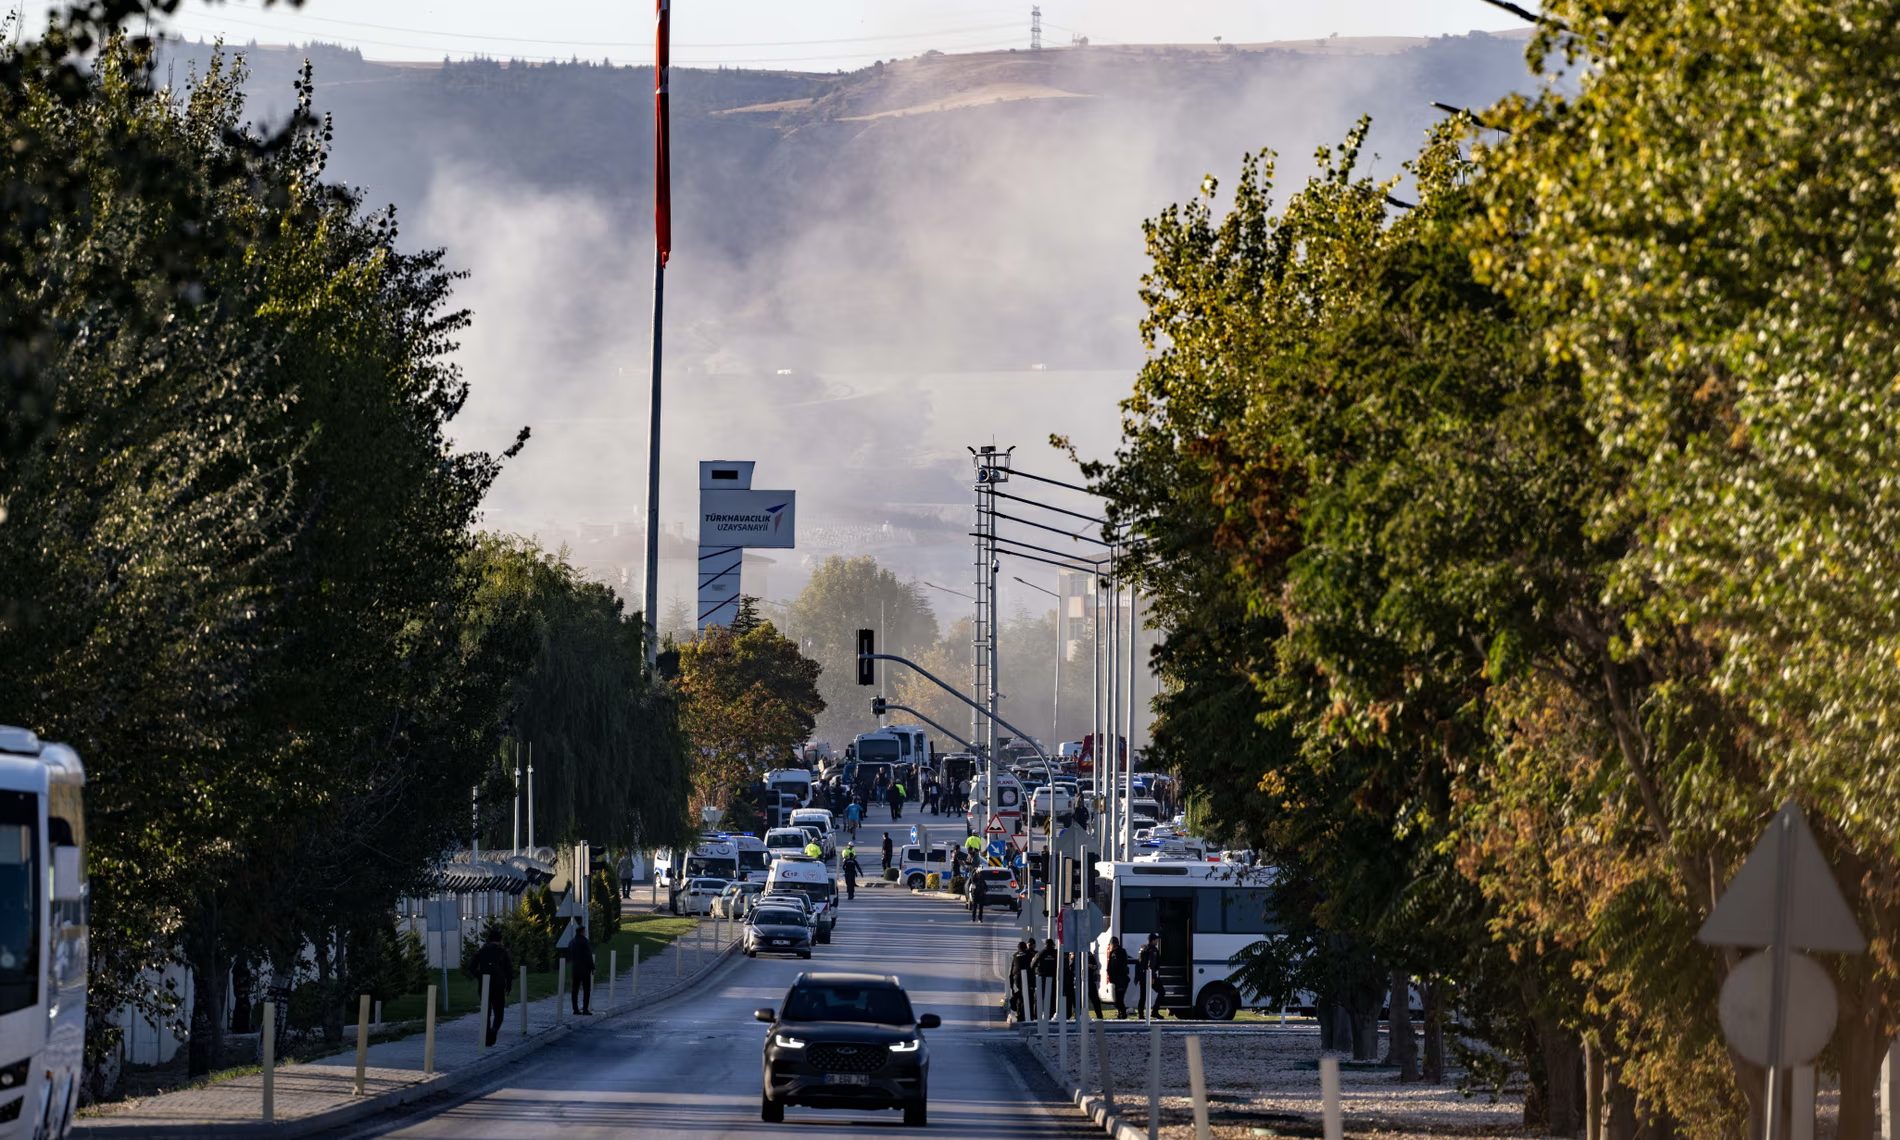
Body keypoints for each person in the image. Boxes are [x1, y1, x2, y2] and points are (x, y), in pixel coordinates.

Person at [473, 927, 513, 1046]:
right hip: (498, 986)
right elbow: (509, 970)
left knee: (486, 1013)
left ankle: (486, 1037)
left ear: (489, 939)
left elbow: (471, 967)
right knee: (499, 1014)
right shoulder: (503, 951)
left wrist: (480, 976)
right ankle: (493, 1031)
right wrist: (509, 984)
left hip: (484, 985)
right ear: (500, 939)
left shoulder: (482, 950)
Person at [568, 920, 595, 1015]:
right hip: (585, 969)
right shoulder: (584, 942)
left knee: (574, 989)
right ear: (582, 932)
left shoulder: (571, 942)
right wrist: (592, 967)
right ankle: (585, 1009)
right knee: (586, 989)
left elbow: (569, 955)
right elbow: (588, 955)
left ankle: (575, 1009)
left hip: (575, 968)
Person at [1136, 932, 1161, 1017]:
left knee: (1143, 995)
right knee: (1162, 992)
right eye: (1156, 940)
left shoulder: (1142, 948)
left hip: (1142, 976)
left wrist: (1138, 977)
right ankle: (1155, 1011)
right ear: (1153, 940)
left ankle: (1141, 1015)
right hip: (1149, 975)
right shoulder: (1153, 950)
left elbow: (1138, 963)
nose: (1157, 941)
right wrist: (1153, 977)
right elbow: (1151, 964)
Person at [1034, 938, 1060, 1020]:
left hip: (1042, 978)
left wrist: (1036, 970)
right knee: (1053, 998)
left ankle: (1038, 1016)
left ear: (1045, 945)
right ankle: (1051, 1015)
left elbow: (1032, 964)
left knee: (1041, 998)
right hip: (1054, 978)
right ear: (1052, 945)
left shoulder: (1041, 953)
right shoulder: (1056, 953)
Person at [1106, 936, 1131, 1019]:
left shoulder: (1120, 952)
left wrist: (1115, 976)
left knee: (1119, 1000)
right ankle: (1121, 1013)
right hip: (1118, 980)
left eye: (1111, 944)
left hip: (1121, 980)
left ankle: (1123, 1014)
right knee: (1118, 999)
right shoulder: (1113, 953)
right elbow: (1110, 966)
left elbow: (1121, 966)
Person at [1009, 940, 1034, 1020]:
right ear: (1026, 948)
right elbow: (1033, 965)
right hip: (1027, 977)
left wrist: (1011, 986)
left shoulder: (1015, 955)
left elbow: (1011, 972)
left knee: (1021, 996)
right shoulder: (1029, 954)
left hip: (1017, 978)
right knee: (1028, 996)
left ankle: (1020, 1014)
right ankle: (1027, 1015)